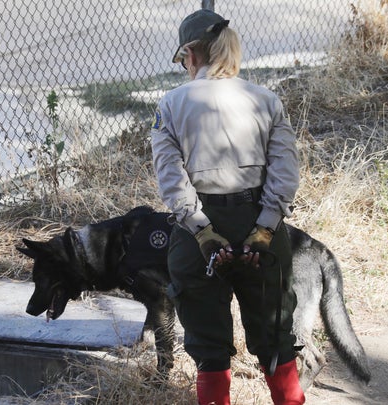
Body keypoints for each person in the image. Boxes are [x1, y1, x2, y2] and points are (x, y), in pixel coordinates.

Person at [150, 9, 305, 405]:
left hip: (200, 230)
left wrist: (202, 231)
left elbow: (171, 178)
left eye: (183, 58)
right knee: (275, 339)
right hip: (259, 222)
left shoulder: (171, 104)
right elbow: (285, 171)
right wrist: (266, 227)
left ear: (192, 54)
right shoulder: (266, 100)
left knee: (208, 347)